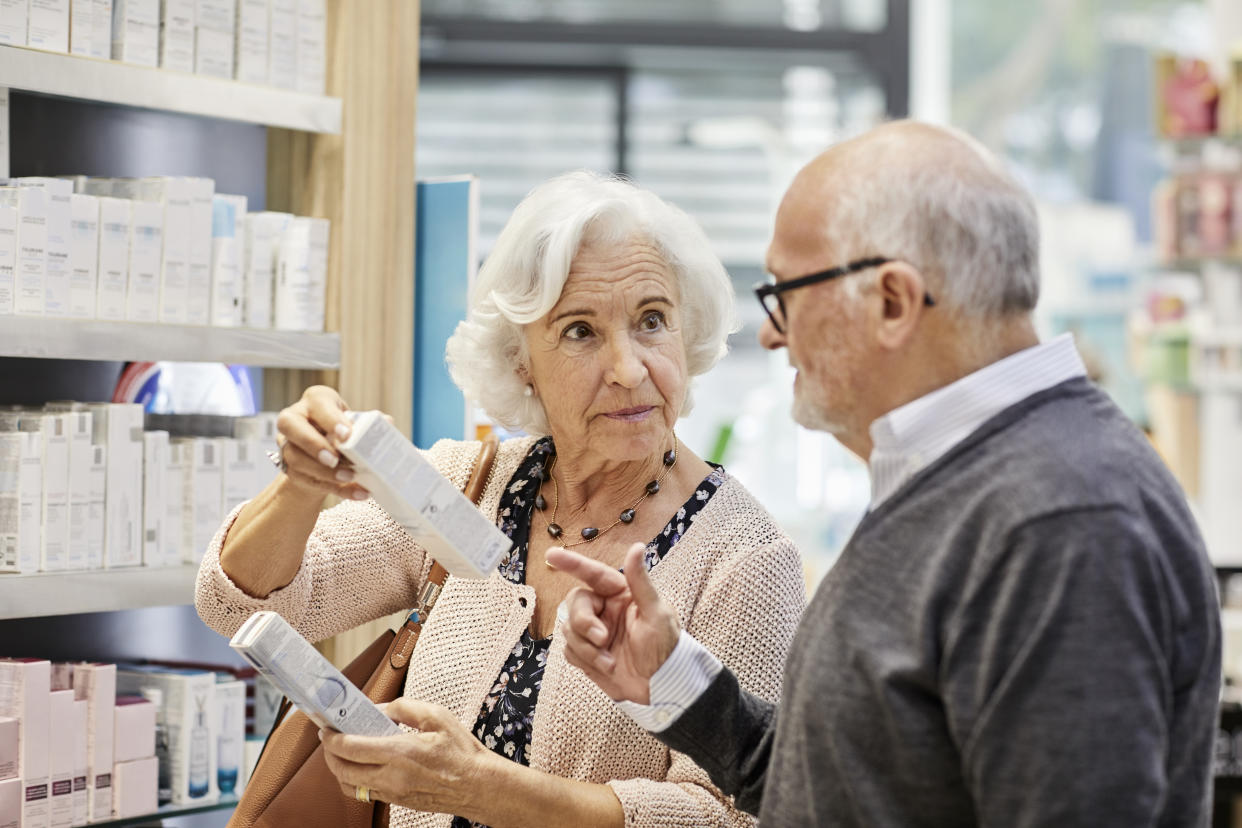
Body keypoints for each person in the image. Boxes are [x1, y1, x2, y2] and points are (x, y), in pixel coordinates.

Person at [549, 120, 1223, 827]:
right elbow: (865, 778)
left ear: (893, 302)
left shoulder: (1061, 519)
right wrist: (675, 681)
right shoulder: (965, 476)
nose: (774, 333)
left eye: (785, 292)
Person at [194, 171, 806, 828]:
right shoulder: (471, 484)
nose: (629, 368)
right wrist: (301, 486)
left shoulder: (746, 559)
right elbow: (241, 603)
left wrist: (485, 790)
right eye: (581, 332)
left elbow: (732, 817)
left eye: (652, 321)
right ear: (522, 361)